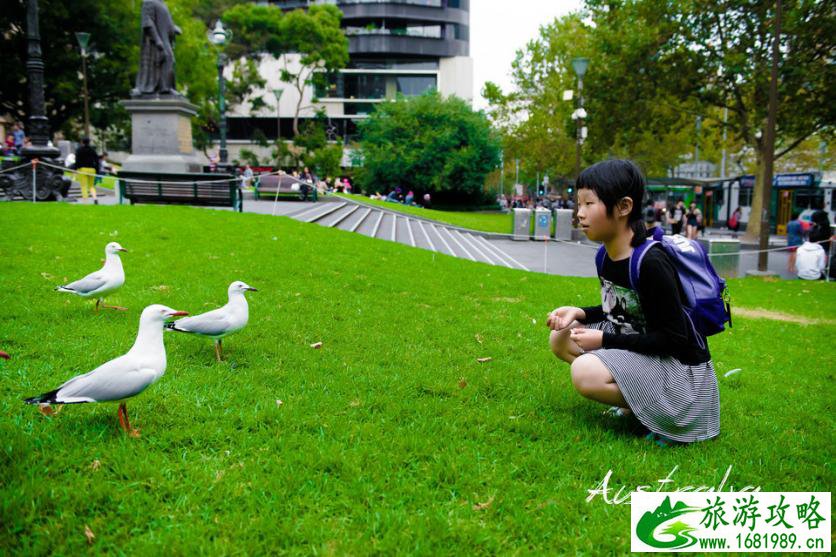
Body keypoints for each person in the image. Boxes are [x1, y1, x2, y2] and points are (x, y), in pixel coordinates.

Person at [546, 159, 719, 445]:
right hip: (646, 349)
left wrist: (603, 339)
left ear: (624, 207)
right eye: (579, 204)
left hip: (683, 376)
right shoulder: (604, 255)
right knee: (561, 336)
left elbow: (674, 339)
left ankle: (664, 414)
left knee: (584, 372)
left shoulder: (651, 262)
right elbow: (624, 308)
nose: (580, 214)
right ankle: (635, 405)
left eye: (589, 204)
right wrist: (579, 312)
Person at [73, 137, 100, 204]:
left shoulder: (79, 150)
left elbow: (77, 161)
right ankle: (95, 198)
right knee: (91, 186)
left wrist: (76, 168)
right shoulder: (92, 150)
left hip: (83, 169)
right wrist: (97, 169)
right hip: (92, 169)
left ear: (82, 142)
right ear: (89, 142)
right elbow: (97, 160)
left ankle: (85, 202)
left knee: (84, 186)